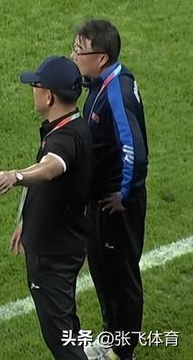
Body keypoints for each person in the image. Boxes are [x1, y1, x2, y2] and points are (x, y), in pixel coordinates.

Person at [0, 56, 92, 360]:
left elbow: (50, 168)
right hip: (58, 242)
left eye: (36, 85)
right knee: (65, 324)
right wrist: (26, 221)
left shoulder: (66, 138)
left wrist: (15, 176)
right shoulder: (67, 126)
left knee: (60, 339)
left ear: (48, 96)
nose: (32, 90)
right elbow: (49, 185)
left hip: (53, 254)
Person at [71, 20, 148, 360]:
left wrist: (123, 195)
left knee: (120, 279)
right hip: (101, 201)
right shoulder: (102, 83)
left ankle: (122, 351)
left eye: (79, 51)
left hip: (115, 205)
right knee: (103, 273)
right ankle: (111, 337)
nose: (74, 56)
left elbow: (134, 151)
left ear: (101, 58)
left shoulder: (116, 92)